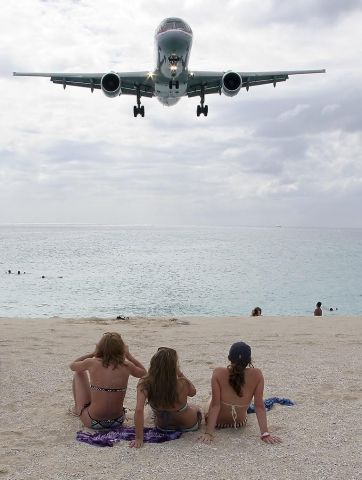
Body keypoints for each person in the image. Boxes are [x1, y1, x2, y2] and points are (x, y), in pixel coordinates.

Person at [199, 341, 281, 444]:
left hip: (218, 423)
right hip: (239, 423)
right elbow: (259, 406)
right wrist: (265, 434)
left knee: (212, 399)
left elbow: (215, 405)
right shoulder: (257, 374)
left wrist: (209, 433)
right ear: (249, 360)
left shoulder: (218, 372)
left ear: (229, 358)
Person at [69, 332, 146, 430]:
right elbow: (144, 373)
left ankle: (77, 410)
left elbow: (73, 366)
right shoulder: (126, 365)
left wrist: (92, 354)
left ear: (100, 347)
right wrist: (129, 356)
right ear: (121, 349)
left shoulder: (92, 362)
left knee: (79, 372)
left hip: (93, 421)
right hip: (117, 421)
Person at [129, 347, 202, 448]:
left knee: (152, 412)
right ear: (174, 367)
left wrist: (139, 438)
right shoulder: (182, 383)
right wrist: (180, 373)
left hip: (163, 427)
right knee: (195, 407)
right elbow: (193, 392)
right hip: (189, 425)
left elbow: (139, 410)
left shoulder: (145, 383)